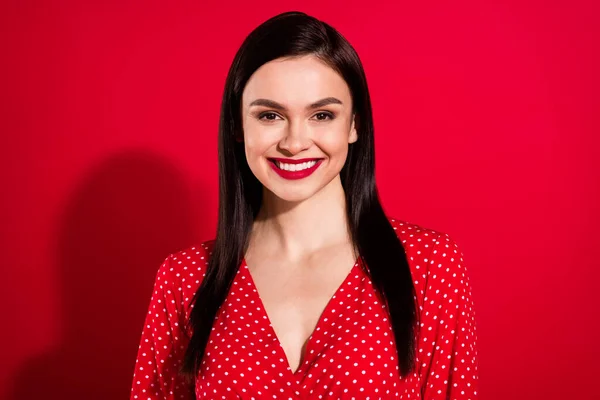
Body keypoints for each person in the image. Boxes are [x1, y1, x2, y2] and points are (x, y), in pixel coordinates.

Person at [130, 11, 479, 399]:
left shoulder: (429, 265)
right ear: (236, 127)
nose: (295, 142)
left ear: (354, 125)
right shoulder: (183, 280)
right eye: (270, 115)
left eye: (322, 115)